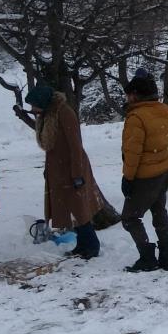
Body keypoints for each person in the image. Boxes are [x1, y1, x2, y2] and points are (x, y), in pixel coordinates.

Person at [24, 85, 103, 260]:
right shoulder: (48, 115)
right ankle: (82, 244)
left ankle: (92, 245)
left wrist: (77, 174)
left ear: (43, 103)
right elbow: (50, 143)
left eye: (34, 106)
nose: (33, 110)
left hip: (72, 168)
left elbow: (75, 146)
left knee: (79, 209)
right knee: (71, 209)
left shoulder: (64, 113)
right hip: (58, 169)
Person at [119, 76, 168, 272]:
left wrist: (128, 178)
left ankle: (147, 256)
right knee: (159, 211)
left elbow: (132, 153)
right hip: (163, 171)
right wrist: (167, 163)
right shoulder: (166, 110)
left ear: (135, 95)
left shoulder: (136, 117)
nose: (127, 98)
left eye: (129, 94)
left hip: (144, 176)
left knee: (129, 218)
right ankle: (167, 257)